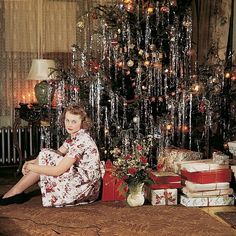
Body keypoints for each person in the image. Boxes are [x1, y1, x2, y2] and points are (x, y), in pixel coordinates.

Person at [0, 105, 102, 207]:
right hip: (81, 180)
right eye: (67, 120)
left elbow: (58, 170)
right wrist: (30, 162)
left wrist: (31, 167)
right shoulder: (75, 135)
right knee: (46, 152)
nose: (69, 125)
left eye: (74, 121)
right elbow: (57, 153)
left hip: (84, 187)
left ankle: (15, 192)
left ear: (82, 123)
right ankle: (16, 192)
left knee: (45, 154)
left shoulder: (81, 139)